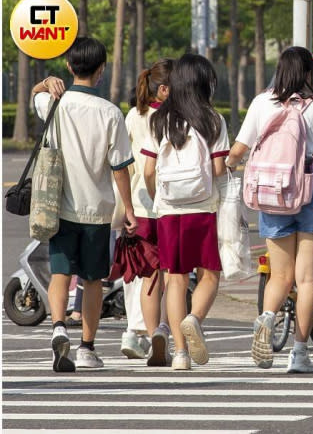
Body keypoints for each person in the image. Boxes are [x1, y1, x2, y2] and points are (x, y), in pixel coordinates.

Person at [228, 46, 313, 373]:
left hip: (272, 193)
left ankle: (266, 318)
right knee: (307, 279)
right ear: (309, 73)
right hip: (311, 191)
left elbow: (239, 149)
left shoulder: (262, 102)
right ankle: (300, 353)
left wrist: (227, 167)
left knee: (280, 275)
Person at [32, 37, 137, 372]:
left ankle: (58, 326)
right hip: (97, 209)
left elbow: (35, 95)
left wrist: (46, 83)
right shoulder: (110, 113)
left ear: (68, 66)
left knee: (61, 272)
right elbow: (120, 168)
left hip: (58, 206)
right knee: (92, 280)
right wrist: (130, 210)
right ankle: (87, 348)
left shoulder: (54, 103)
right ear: (102, 70)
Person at [143, 54, 229, 371]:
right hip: (203, 207)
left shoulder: (159, 120)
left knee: (175, 279)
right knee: (209, 274)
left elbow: (149, 170)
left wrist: (158, 199)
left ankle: (180, 353)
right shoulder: (214, 120)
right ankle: (195, 319)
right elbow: (219, 168)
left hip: (168, 209)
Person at [124, 59, 174, 366]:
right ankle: (163, 334)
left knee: (147, 275)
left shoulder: (134, 115)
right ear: (165, 89)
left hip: (139, 205)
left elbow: (125, 162)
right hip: (169, 204)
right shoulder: (173, 119)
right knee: (173, 275)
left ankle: (145, 331)